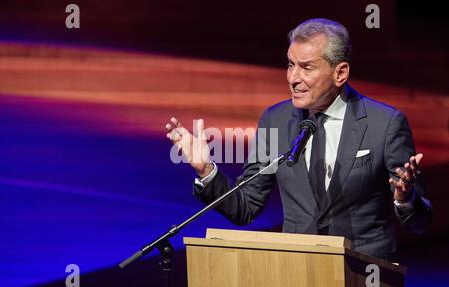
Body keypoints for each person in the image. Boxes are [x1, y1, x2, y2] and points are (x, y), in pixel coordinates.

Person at [165, 18, 432, 261]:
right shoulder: (276, 120)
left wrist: (404, 198)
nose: (293, 78)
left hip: (364, 276)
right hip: (296, 272)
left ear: (340, 73)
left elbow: (420, 222)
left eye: (306, 68)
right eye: (291, 65)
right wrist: (207, 170)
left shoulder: (384, 124)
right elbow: (245, 207)